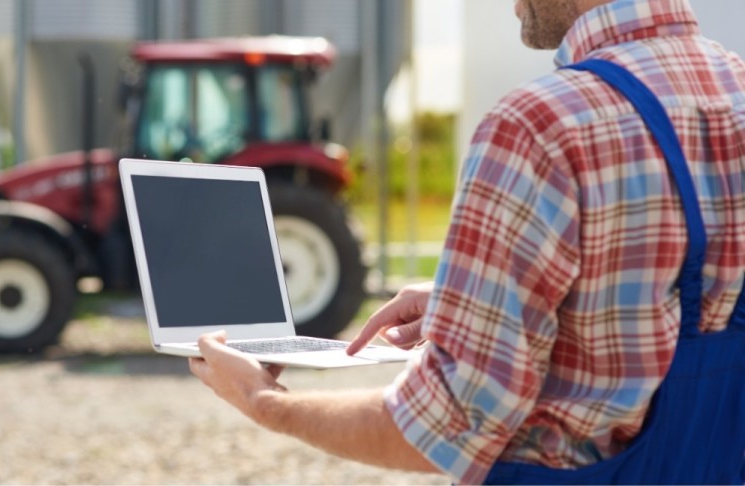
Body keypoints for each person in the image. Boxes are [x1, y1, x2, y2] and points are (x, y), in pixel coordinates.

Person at [189, 0, 745, 483]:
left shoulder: (538, 127)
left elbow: (445, 427)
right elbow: (679, 291)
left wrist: (264, 403)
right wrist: (481, 301)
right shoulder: (736, 87)